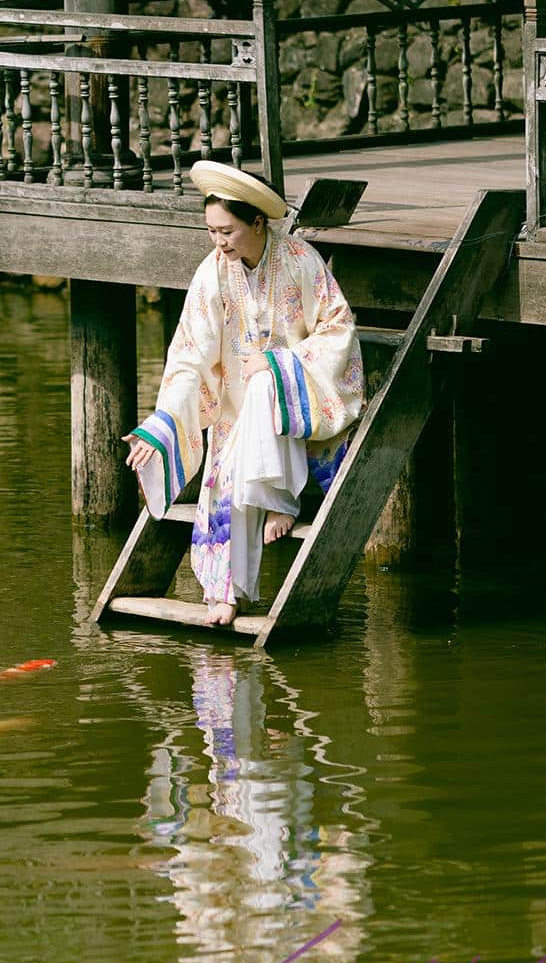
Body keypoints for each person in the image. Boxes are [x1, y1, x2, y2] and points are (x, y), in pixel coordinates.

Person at [122, 161, 365, 627]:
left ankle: (281, 501)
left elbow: (338, 329)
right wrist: (161, 425)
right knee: (227, 471)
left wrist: (277, 364)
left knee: (261, 386)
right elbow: (190, 357)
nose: (219, 242)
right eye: (212, 231)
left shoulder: (300, 261)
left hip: (301, 402)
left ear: (258, 223)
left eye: (228, 231)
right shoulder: (212, 274)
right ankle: (226, 593)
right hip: (240, 412)